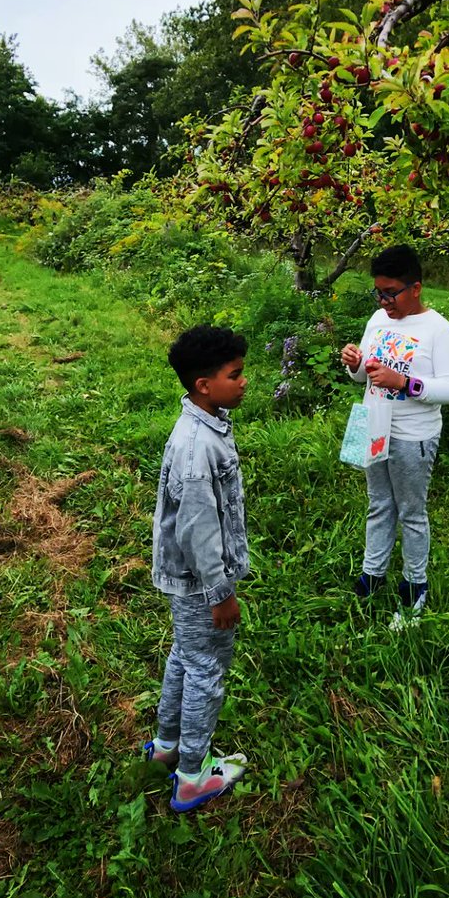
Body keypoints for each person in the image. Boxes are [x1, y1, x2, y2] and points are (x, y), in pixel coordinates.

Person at [144, 325, 251, 813]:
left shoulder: (203, 425)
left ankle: (167, 746)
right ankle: (192, 774)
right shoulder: (197, 448)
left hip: (187, 581)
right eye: (236, 374)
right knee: (206, 669)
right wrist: (220, 592)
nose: (244, 382)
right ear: (204, 385)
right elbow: (197, 529)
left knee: (185, 657)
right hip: (198, 583)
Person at [340, 245, 449, 611]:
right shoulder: (377, 321)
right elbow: (364, 375)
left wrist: (405, 382)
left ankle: (414, 587)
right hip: (372, 424)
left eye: (390, 292)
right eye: (378, 292)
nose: (384, 301)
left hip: (413, 435)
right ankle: (372, 575)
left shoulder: (438, 330)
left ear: (416, 288)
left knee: (411, 512)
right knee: (378, 505)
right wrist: (354, 363)